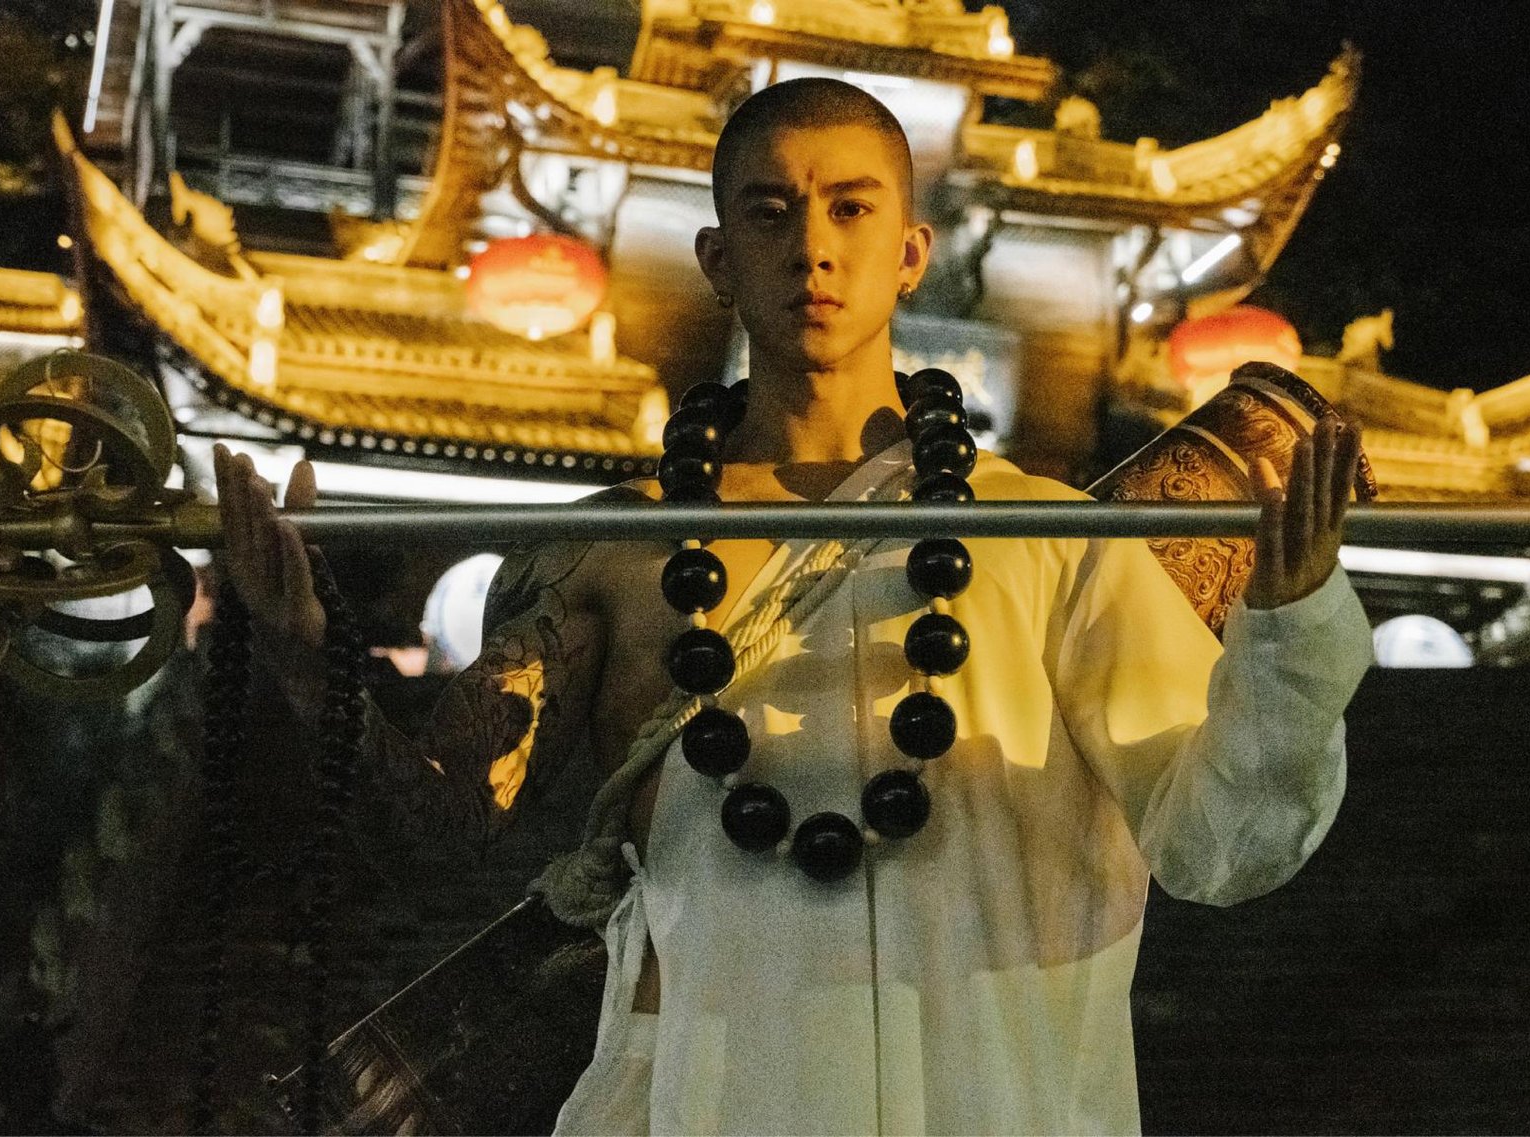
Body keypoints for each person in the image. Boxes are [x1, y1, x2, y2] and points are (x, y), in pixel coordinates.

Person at [214, 78, 1372, 1135]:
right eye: (770, 213)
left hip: (991, 1101)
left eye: (850, 209)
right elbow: (436, 821)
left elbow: (1221, 844)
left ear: (910, 252)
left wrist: (1288, 628)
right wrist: (306, 645)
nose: (812, 247)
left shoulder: (1051, 538)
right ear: (717, 257)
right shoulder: (616, 550)